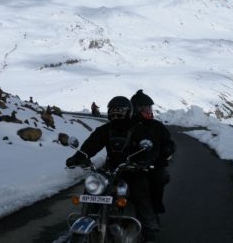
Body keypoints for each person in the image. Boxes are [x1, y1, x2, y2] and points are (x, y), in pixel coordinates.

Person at [66, 96, 161, 242]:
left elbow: (152, 148)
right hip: (110, 170)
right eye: (113, 113)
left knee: (139, 193)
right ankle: (87, 217)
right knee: (93, 188)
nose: (116, 116)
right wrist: (78, 157)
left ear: (128, 113)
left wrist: (144, 161)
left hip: (133, 170)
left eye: (120, 113)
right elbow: (91, 144)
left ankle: (149, 228)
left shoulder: (140, 129)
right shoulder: (105, 129)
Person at [130, 89, 175, 215]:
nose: (148, 111)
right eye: (145, 108)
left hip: (153, 165)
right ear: (136, 109)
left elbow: (169, 143)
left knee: (157, 179)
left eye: (149, 108)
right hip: (129, 164)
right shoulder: (127, 125)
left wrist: (166, 152)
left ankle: (153, 212)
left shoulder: (156, 126)